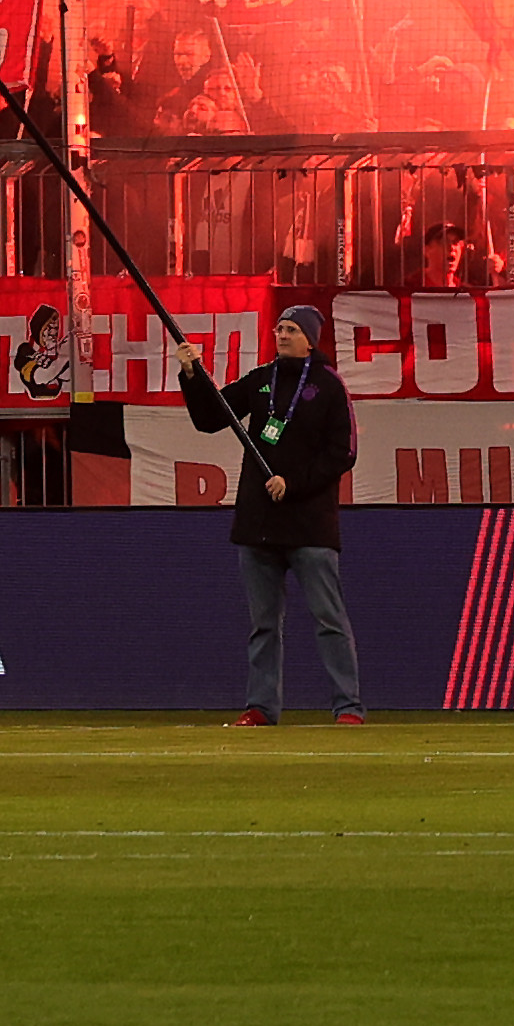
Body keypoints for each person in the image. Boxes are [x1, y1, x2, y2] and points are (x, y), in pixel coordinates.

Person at [181, 307, 362, 725]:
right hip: (259, 525)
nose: (282, 335)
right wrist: (192, 375)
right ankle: (261, 706)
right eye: (280, 328)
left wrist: (293, 483)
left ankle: (348, 707)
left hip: (310, 526)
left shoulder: (329, 385)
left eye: (292, 329)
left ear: (310, 340)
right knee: (263, 625)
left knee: (329, 620)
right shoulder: (262, 379)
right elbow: (210, 418)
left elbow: (344, 453)